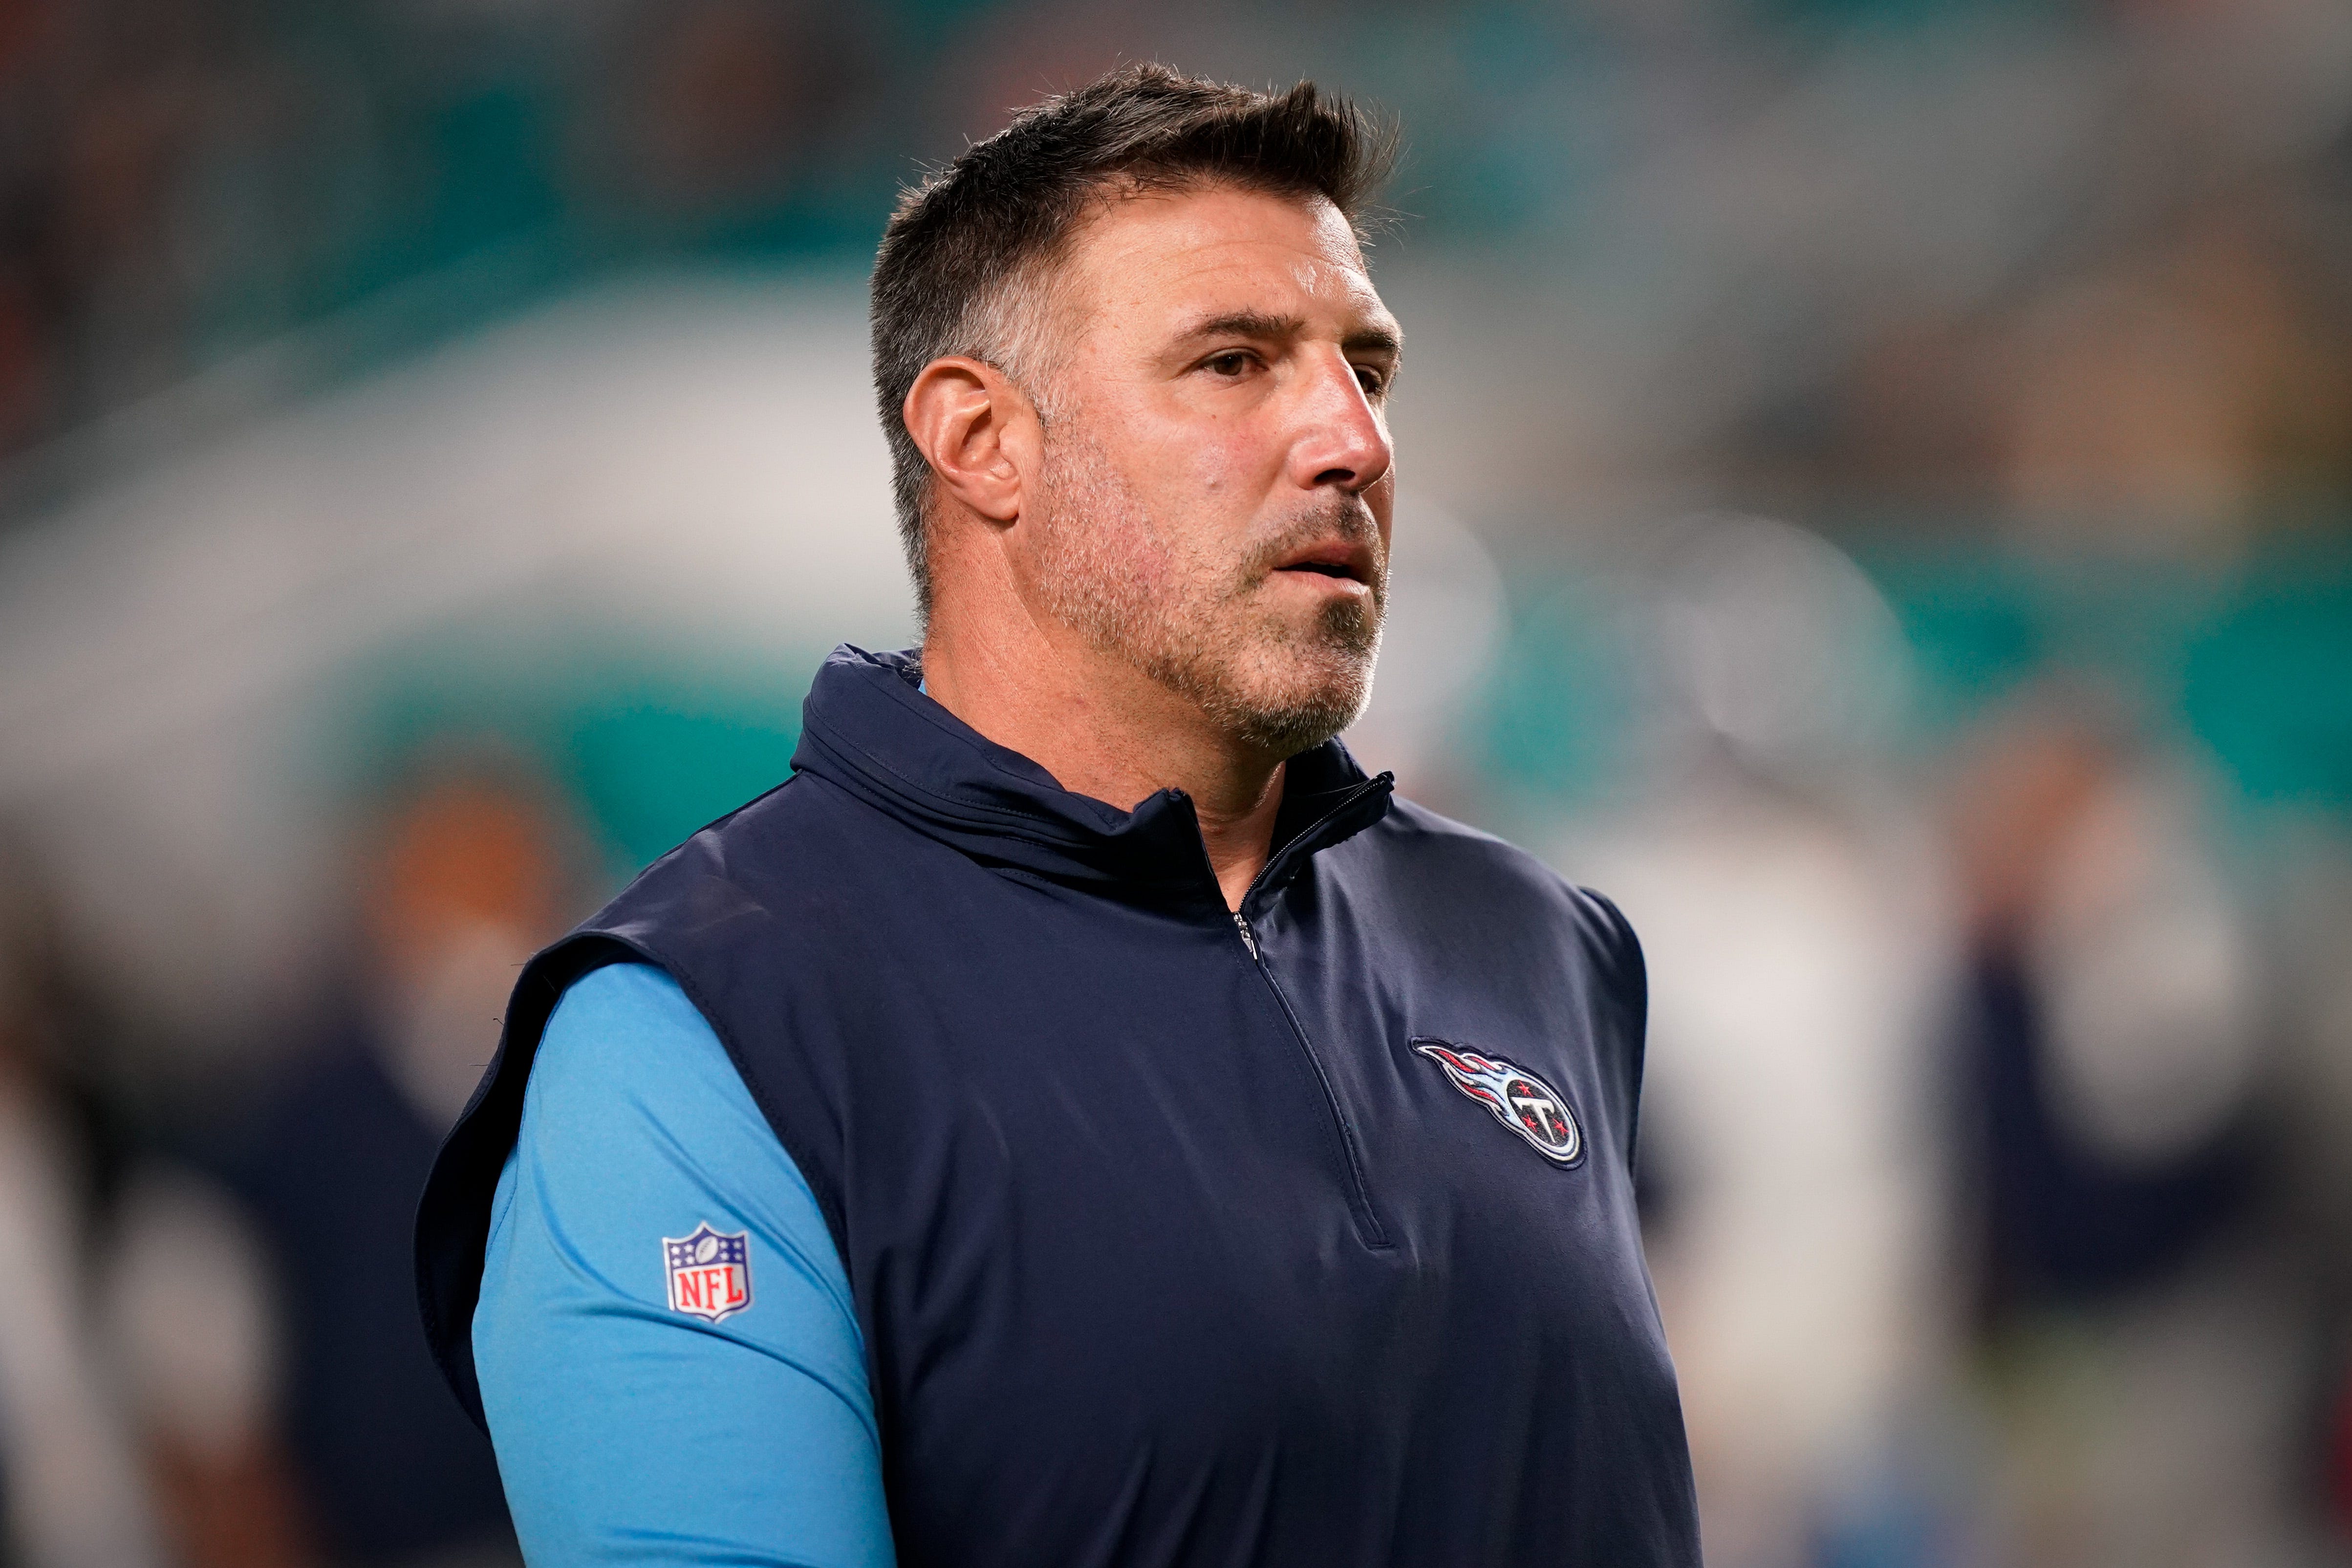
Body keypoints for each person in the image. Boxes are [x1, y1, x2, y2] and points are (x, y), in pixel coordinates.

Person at [417, 64, 1699, 1568]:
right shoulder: (702, 1030)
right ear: (980, 442)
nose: (1355, 441)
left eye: (1370, 367)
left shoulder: (1540, 942)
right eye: (1235, 363)